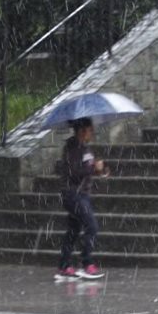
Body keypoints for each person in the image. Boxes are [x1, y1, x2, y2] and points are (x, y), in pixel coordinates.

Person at [55, 117, 108, 281]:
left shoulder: (85, 148)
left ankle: (64, 266)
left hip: (81, 194)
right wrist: (92, 168)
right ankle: (87, 264)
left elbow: (87, 170)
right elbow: (74, 172)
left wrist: (100, 170)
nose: (92, 133)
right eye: (90, 130)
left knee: (73, 230)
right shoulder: (72, 148)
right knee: (91, 227)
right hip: (73, 194)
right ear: (81, 131)